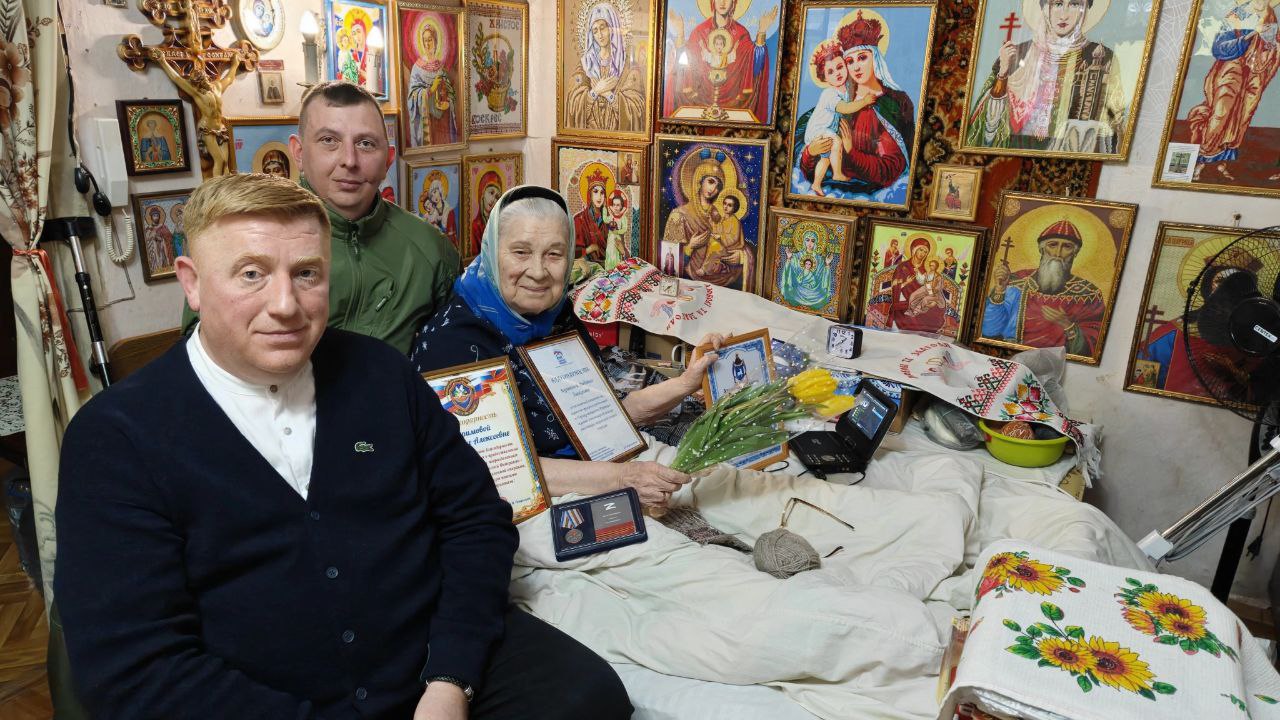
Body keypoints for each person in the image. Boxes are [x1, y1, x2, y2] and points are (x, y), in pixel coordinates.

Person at [56, 173, 632, 720]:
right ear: (192, 283)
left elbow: (476, 520)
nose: (285, 304)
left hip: (430, 666)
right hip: (259, 696)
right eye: (252, 274)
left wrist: (451, 679)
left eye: (306, 273)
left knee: (590, 696)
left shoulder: (381, 374)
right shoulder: (116, 437)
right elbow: (136, 667)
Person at [414, 185, 723, 508]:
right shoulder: (453, 342)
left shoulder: (557, 315)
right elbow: (502, 469)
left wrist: (686, 383)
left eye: (554, 254)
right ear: (492, 252)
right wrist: (622, 479)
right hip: (511, 501)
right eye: (520, 252)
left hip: (593, 466)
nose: (538, 272)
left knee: (724, 486)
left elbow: (603, 417)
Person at [179, 81, 459, 356]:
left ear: (388, 159)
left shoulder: (432, 251)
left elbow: (452, 352)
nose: (349, 160)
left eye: (366, 144)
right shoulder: (239, 236)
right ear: (299, 153)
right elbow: (201, 350)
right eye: (329, 141)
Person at [965, 0, 1127, 153]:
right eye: (1057, 3)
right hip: (1015, 152)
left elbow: (1114, 121)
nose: (1064, 15)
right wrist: (1003, 73)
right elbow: (985, 127)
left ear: (1084, 10)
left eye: (1074, 4)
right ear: (1044, 8)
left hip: (1070, 158)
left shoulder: (1102, 58)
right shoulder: (1017, 54)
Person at [795, 14, 914, 198]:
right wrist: (810, 152)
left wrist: (851, 151)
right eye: (850, 61)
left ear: (875, 58)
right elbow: (802, 164)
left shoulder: (893, 104)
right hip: (827, 193)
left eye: (862, 58)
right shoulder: (838, 100)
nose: (856, 67)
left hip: (870, 197)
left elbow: (890, 171)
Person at [1185, 0, 1279, 181]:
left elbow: (1270, 50)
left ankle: (1222, 164)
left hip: (1252, 76)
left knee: (1240, 117)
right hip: (1230, 71)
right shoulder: (1237, 16)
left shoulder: (1270, 19)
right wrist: (1252, 34)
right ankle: (1201, 161)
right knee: (1220, 114)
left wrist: (1272, 45)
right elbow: (1219, 48)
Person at [981, 219, 1105, 356]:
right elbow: (989, 330)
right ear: (1041, 248)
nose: (1058, 253)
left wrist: (1068, 325)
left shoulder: (1088, 293)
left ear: (1075, 253)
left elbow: (1093, 343)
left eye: (1067, 247)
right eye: (1052, 245)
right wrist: (1000, 290)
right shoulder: (1016, 282)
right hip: (1011, 355)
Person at [663, 0, 778, 121]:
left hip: (734, 105)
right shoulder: (699, 32)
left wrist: (761, 32)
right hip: (700, 104)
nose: (722, 2)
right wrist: (680, 33)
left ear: (733, 2)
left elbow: (755, 66)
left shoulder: (741, 34)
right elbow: (683, 66)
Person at [661, 148, 753, 290]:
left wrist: (741, 256)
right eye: (711, 182)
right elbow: (668, 258)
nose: (714, 189)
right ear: (699, 180)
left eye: (718, 186)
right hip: (689, 286)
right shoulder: (679, 215)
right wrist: (690, 247)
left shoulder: (722, 214)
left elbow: (738, 242)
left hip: (726, 284)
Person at [564, 3, 646, 132]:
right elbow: (573, 103)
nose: (600, 35)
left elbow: (637, 108)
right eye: (595, 31)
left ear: (612, 28)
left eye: (603, 28)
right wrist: (596, 91)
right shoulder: (585, 65)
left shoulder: (628, 67)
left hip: (619, 138)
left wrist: (608, 94)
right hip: (590, 136)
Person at [804, 40, 859, 196]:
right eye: (831, 72)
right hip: (818, 130)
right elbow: (846, 108)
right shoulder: (830, 94)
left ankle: (816, 184)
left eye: (840, 67)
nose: (837, 73)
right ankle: (837, 174)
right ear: (825, 78)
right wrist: (864, 102)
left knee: (826, 159)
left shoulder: (846, 89)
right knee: (837, 141)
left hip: (826, 130)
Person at [407, 21, 461, 147]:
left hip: (442, 121)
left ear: (436, 41)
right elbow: (412, 96)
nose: (427, 44)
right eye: (425, 40)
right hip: (427, 121)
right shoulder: (417, 68)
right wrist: (431, 89)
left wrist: (447, 99)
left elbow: (450, 94)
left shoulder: (441, 67)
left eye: (430, 40)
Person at [779, 230, 836, 310]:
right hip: (798, 289)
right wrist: (789, 258)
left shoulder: (819, 259)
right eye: (807, 240)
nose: (810, 243)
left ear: (816, 243)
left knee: (823, 295)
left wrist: (827, 264)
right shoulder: (797, 256)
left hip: (813, 291)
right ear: (803, 241)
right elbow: (791, 272)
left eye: (813, 241)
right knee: (790, 291)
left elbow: (821, 277)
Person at [573, 168, 611, 262]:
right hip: (588, 264)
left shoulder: (609, 219)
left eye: (602, 193)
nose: (599, 197)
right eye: (595, 192)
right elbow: (573, 251)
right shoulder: (579, 219)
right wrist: (590, 249)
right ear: (590, 194)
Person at [421, 169, 459, 251]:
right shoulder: (430, 213)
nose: (434, 196)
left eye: (435, 192)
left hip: (447, 248)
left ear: (440, 190)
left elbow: (452, 236)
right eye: (431, 195)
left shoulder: (449, 211)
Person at [471, 170, 504, 257]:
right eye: (491, 193)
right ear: (482, 193)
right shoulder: (475, 227)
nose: (493, 200)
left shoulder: (499, 223)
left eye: (497, 197)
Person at [604, 189, 631, 269]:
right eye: (614, 205)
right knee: (609, 253)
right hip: (610, 240)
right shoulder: (611, 216)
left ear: (621, 206)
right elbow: (605, 219)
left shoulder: (623, 218)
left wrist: (617, 232)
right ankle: (608, 269)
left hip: (617, 240)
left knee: (616, 255)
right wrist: (604, 208)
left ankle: (616, 269)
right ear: (612, 206)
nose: (615, 207)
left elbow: (624, 229)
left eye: (618, 205)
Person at [144, 204, 175, 272]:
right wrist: (154, 236)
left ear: (159, 217)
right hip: (154, 250)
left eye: (157, 215)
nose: (156, 217)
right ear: (151, 217)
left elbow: (169, 236)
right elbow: (146, 239)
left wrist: (162, 238)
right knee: (156, 263)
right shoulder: (149, 228)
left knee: (164, 261)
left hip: (163, 249)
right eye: (154, 216)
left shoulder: (163, 226)